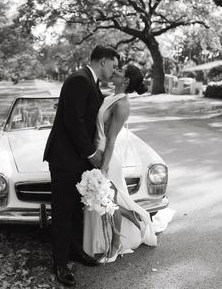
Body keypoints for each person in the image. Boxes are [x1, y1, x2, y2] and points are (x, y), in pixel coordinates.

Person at [43, 45, 119, 287]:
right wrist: (90, 153)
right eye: (113, 66)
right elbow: (73, 121)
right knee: (63, 211)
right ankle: (60, 263)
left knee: (76, 209)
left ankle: (75, 251)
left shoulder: (91, 82)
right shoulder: (79, 80)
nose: (114, 70)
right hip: (65, 159)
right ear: (103, 61)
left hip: (77, 159)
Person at [83, 64, 157, 263]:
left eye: (119, 72)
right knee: (108, 200)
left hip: (108, 155)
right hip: (97, 152)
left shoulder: (122, 103)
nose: (114, 72)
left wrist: (105, 165)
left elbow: (112, 138)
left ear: (125, 81)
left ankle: (116, 246)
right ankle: (133, 216)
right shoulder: (110, 96)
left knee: (110, 202)